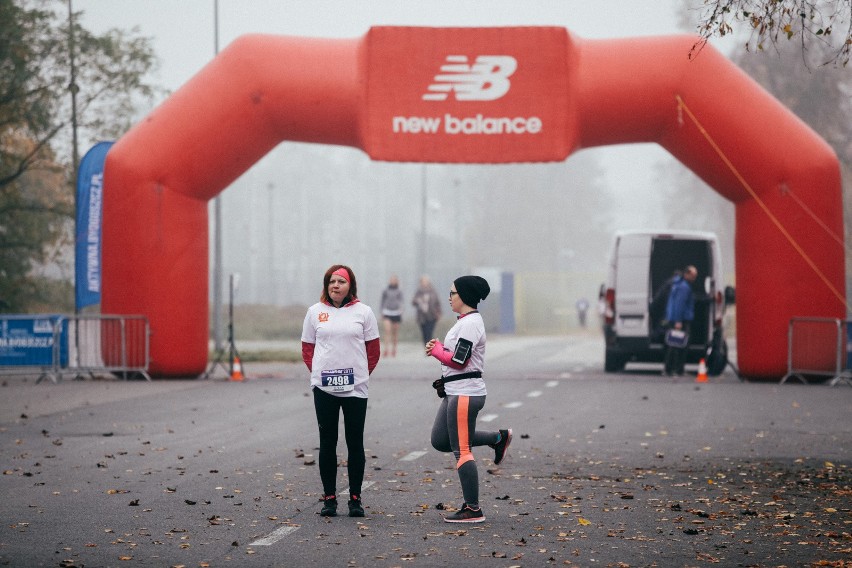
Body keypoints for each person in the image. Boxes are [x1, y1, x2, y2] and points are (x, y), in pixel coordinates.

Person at [424, 275, 512, 523]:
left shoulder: (471, 324)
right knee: (441, 439)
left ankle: (472, 509)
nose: (449, 297)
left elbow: (460, 361)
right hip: (456, 391)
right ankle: (498, 438)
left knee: (461, 450)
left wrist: (437, 351)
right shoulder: (463, 322)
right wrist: (441, 348)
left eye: (452, 293)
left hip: (465, 393)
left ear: (463, 296)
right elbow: (458, 356)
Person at [301, 264, 381, 518]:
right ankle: (330, 499)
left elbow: (373, 350)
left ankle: (355, 499)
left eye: (341, 282)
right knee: (327, 442)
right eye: (332, 281)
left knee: (354, 442)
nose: (336, 286)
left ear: (350, 286)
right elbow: (307, 349)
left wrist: (359, 374)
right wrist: (320, 372)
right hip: (324, 388)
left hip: (355, 388)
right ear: (326, 285)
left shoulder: (364, 312)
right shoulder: (315, 312)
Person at [663, 265, 697, 376]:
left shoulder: (677, 284)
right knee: (680, 345)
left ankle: (670, 369)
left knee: (674, 344)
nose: (694, 278)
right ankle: (677, 369)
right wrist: (678, 321)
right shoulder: (684, 287)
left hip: (674, 319)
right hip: (681, 320)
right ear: (687, 274)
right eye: (693, 276)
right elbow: (679, 305)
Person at [412, 274, 442, 344]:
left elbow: (437, 303)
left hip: (432, 315)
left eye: (426, 281)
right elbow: (413, 301)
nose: (424, 283)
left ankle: (429, 347)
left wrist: (439, 313)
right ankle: (426, 346)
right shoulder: (418, 291)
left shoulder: (433, 291)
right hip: (422, 316)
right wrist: (418, 300)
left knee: (429, 332)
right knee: (424, 333)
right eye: (423, 281)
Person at [380, 274, 404, 357]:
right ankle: (386, 349)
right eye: (391, 280)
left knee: (395, 333)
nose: (393, 281)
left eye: (394, 280)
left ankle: (394, 349)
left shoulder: (399, 291)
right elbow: (382, 301)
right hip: (387, 312)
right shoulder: (385, 290)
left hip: (396, 312)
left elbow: (401, 301)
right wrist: (382, 311)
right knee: (387, 331)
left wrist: (401, 310)